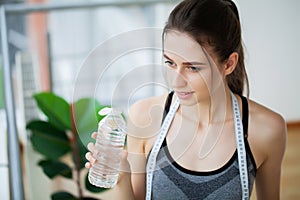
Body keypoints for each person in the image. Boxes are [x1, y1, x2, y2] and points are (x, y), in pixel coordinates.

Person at [85, 0, 287, 199]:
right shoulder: (144, 117)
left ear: (229, 64)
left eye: (193, 67)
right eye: (170, 63)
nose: (176, 82)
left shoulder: (267, 130)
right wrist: (121, 178)